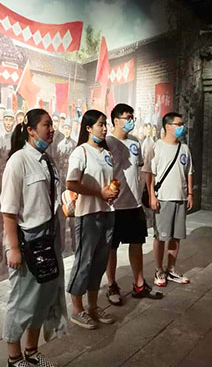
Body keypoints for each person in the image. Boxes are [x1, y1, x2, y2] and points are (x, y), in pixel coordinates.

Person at [1, 109, 66, 367]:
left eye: (52, 125)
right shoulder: (18, 161)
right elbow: (9, 210)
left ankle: (31, 351)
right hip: (28, 239)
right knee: (21, 300)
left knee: (43, 297)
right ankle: (14, 358)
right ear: (30, 130)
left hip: (49, 236)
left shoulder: (47, 160)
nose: (51, 130)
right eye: (46, 125)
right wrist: (13, 248)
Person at [105, 104, 163, 305]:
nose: (131, 121)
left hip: (134, 204)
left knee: (136, 243)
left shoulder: (135, 142)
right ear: (116, 120)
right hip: (114, 206)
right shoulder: (107, 142)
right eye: (127, 118)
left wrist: (147, 193)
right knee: (111, 248)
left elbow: (139, 170)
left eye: (132, 118)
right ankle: (111, 285)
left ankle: (139, 283)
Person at [66, 109, 119, 330]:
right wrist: (99, 193)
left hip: (108, 212)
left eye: (105, 124)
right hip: (88, 214)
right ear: (88, 128)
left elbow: (107, 181)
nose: (104, 128)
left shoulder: (107, 153)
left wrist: (113, 191)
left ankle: (93, 306)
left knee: (99, 262)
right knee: (84, 262)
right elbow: (71, 183)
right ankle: (77, 309)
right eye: (100, 124)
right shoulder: (80, 152)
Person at [144, 112, 194, 287]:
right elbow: (150, 174)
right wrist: (152, 195)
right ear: (168, 126)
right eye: (178, 124)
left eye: (182, 124)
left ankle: (171, 269)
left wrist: (190, 194)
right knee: (161, 236)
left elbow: (189, 172)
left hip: (180, 198)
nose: (182, 127)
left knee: (176, 236)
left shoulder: (184, 148)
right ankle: (159, 270)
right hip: (163, 198)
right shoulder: (156, 147)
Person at [0, 108, 16, 267]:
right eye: (6, 119)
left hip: (13, 180)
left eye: (10, 120)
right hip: (0, 181)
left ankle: (12, 250)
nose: (8, 123)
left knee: (12, 216)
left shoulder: (17, 139)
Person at [56, 118, 76, 251]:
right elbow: (58, 163)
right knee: (62, 217)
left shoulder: (74, 145)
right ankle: (62, 246)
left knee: (73, 216)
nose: (67, 131)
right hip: (62, 182)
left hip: (71, 182)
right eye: (65, 128)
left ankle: (75, 245)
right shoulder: (59, 145)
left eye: (69, 128)